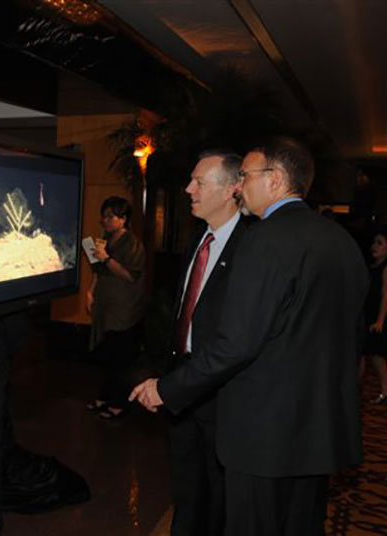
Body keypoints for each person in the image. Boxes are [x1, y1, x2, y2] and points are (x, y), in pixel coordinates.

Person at [130, 137, 369, 535]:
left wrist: (167, 388)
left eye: (246, 176)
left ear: (275, 180)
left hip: (263, 434)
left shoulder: (262, 239)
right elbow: (347, 337)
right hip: (318, 428)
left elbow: (237, 343)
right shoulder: (341, 242)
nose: (241, 185)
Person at [167, 149, 250, 536]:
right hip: (182, 384)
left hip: (223, 391)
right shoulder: (197, 238)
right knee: (185, 489)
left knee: (220, 497)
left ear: (233, 188)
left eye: (199, 182)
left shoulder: (253, 248)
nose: (188, 189)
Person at [85, 196, 145, 419]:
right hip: (106, 306)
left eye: (111, 216)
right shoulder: (106, 239)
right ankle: (104, 395)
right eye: (104, 216)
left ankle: (119, 403)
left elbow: (130, 275)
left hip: (124, 309)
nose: (106, 221)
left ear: (123, 219)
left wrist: (107, 258)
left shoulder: (133, 244)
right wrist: (91, 292)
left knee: (120, 358)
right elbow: (99, 271)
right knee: (108, 354)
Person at [361, 229, 387, 404]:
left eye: (380, 243)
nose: (374, 246)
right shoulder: (372, 266)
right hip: (367, 314)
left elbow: (386, 295)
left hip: (378, 317)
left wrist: (380, 320)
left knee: (376, 356)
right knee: (363, 353)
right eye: (374, 242)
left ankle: (385, 390)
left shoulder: (386, 268)